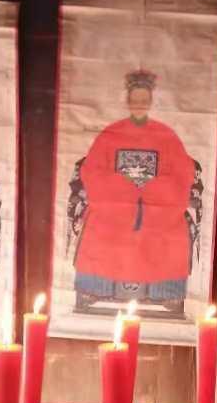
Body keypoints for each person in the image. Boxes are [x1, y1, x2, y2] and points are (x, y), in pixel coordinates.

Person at [70, 69, 197, 314]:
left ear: (150, 102)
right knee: (99, 230)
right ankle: (96, 290)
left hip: (158, 209)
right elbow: (92, 170)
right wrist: (123, 189)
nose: (139, 104)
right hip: (113, 206)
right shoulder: (110, 134)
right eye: (135, 100)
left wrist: (151, 191)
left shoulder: (166, 136)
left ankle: (165, 294)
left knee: (171, 236)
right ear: (128, 101)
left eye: (144, 100)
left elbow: (182, 173)